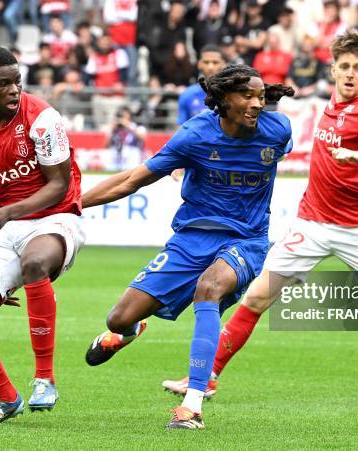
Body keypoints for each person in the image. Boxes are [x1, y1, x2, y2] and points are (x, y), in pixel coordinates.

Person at [163, 31, 358, 400]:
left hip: (357, 230)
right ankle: (209, 377)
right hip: (310, 223)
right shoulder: (336, 98)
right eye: (344, 67)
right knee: (255, 299)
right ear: (332, 70)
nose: (349, 74)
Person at [83, 64, 294, 429]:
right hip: (191, 238)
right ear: (222, 99)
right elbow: (133, 180)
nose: (257, 104)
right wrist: (73, 205)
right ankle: (129, 332)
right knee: (118, 317)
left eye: (261, 97)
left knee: (208, 288)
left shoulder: (278, 131)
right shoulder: (194, 135)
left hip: (246, 239)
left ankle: (192, 405)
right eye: (247, 96)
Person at [0, 47, 84, 424]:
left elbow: (58, 185)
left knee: (35, 262)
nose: (14, 91)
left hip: (55, 217)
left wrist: (7, 213)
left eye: (17, 82)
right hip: (7, 228)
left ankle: (45, 379)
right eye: (3, 84)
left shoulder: (43, 118)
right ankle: (5, 398)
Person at [176, 44, 225, 126]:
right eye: (206, 62)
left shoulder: (231, 94)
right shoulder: (187, 94)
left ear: (223, 64)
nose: (210, 67)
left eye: (215, 62)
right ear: (199, 64)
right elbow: (181, 128)